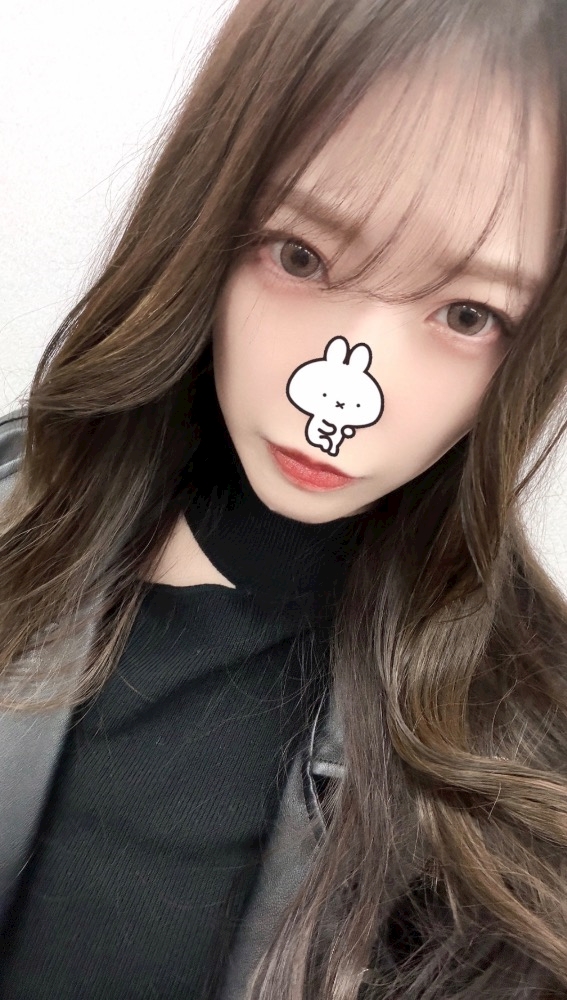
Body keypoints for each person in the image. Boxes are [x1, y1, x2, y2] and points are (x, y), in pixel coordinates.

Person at [0, 0, 566, 996]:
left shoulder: (530, 751)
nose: (338, 396)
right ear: (207, 225)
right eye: (301, 256)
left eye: (467, 314)